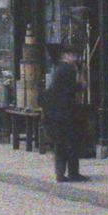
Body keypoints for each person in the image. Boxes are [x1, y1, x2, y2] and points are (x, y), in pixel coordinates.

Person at [42, 48, 84, 182]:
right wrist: (81, 79)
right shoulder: (68, 69)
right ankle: (73, 173)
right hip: (65, 112)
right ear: (66, 55)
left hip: (54, 112)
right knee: (70, 143)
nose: (76, 57)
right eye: (74, 55)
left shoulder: (58, 69)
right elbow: (75, 88)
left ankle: (60, 173)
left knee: (60, 144)